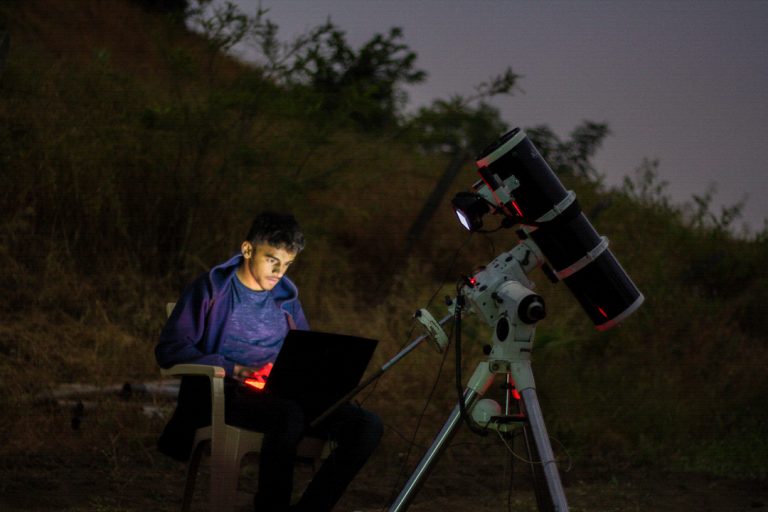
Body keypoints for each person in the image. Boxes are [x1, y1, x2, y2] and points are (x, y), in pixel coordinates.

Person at [155, 211, 382, 512]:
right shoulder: (212, 289)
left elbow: (306, 352)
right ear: (248, 249)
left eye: (287, 264)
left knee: (366, 425)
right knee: (288, 415)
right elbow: (170, 349)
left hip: (285, 392)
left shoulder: (286, 298)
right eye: (272, 260)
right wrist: (233, 368)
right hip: (231, 393)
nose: (279, 272)